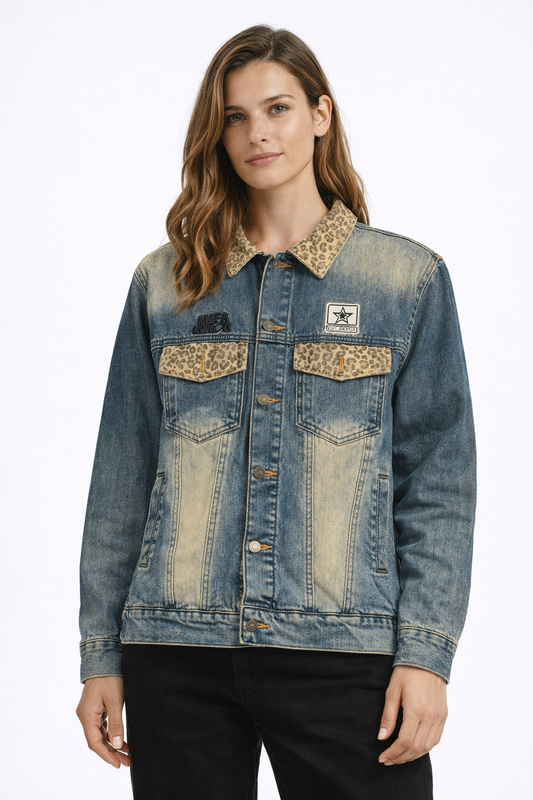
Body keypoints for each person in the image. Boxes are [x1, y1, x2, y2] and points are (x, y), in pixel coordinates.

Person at [75, 24, 476, 800]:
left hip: (343, 649)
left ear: (320, 115)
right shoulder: (166, 284)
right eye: (234, 116)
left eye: (278, 108)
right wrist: (101, 655)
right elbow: (122, 478)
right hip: (176, 649)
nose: (257, 133)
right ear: (217, 133)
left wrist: (425, 655)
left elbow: (438, 485)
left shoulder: (403, 281)